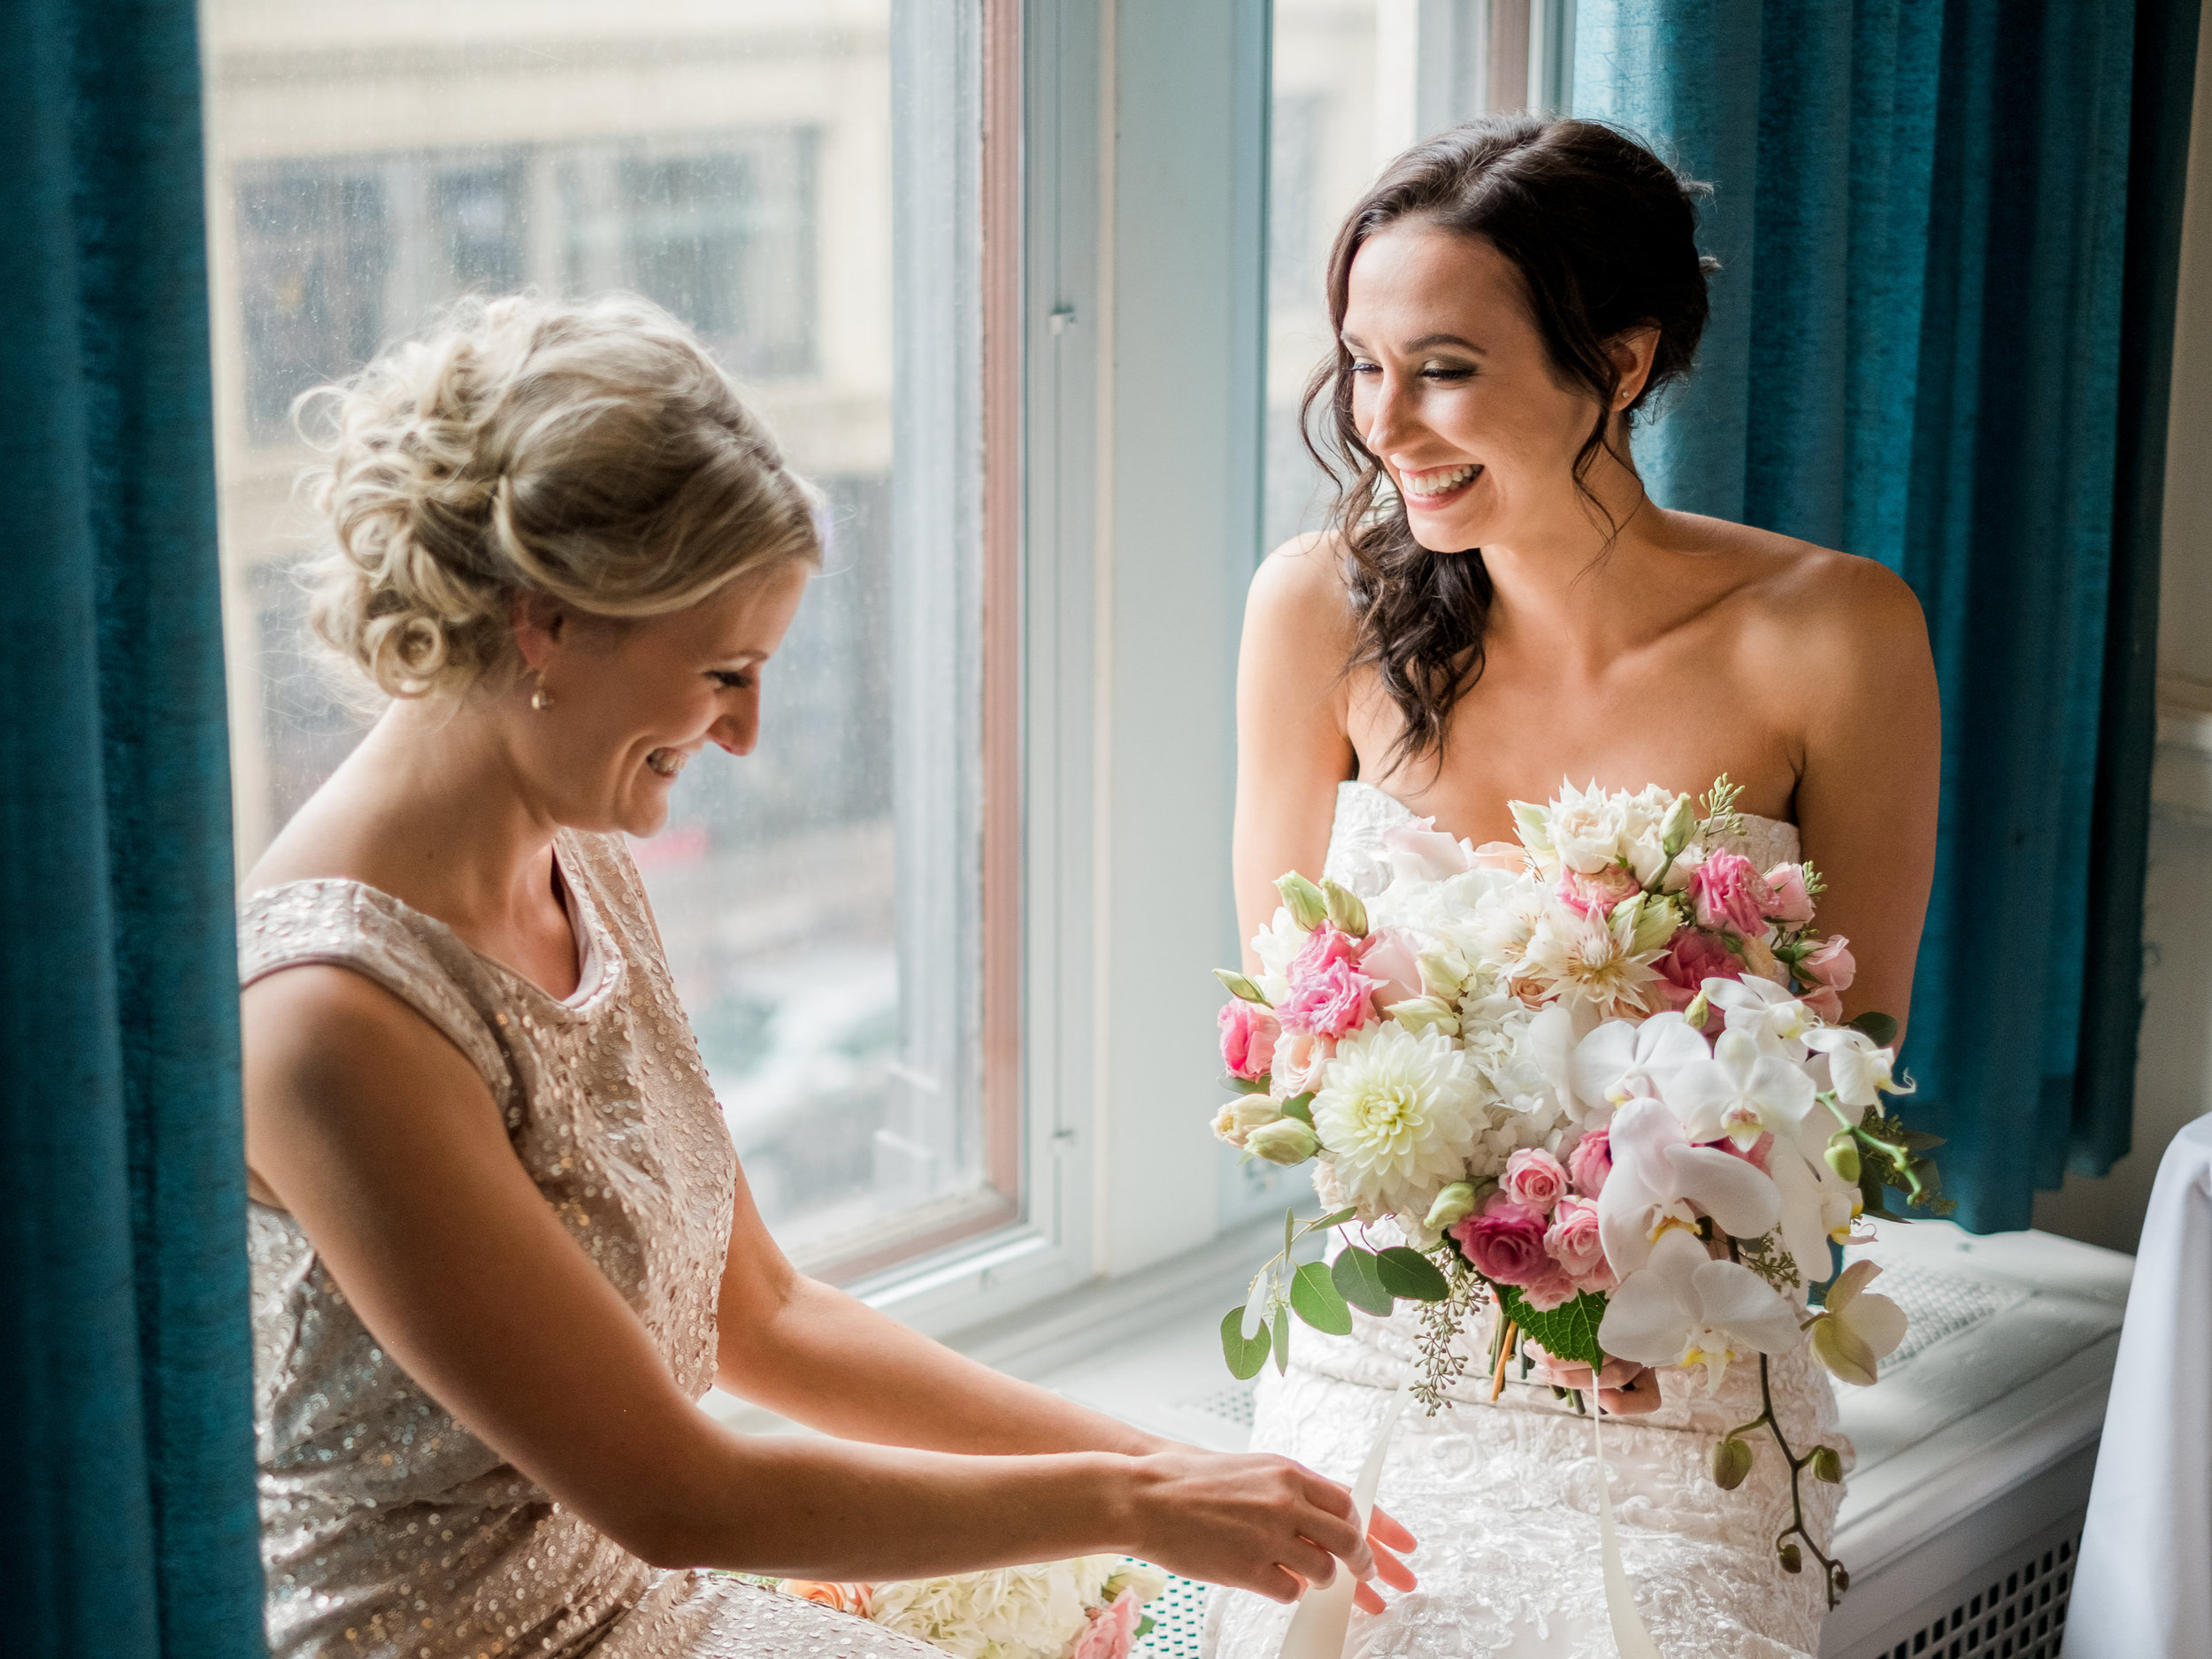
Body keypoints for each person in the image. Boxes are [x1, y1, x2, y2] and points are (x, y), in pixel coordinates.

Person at [237, 293, 1415, 1659]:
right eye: (724, 672)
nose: (745, 735)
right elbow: (677, 1494)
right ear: (543, 620)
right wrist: (1138, 1500)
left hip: (646, 1599)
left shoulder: (580, 847)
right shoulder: (330, 1021)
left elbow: (770, 1320)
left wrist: (1172, 1472)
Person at [1206, 116, 1939, 1659]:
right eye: (1361, 362)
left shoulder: (1832, 634)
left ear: (1617, 360)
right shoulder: (1312, 611)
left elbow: (1850, 1061)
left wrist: (1638, 1273)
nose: (1383, 422)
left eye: (1446, 368)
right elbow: (1289, 1036)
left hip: (1689, 1365)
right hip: (1386, 1348)